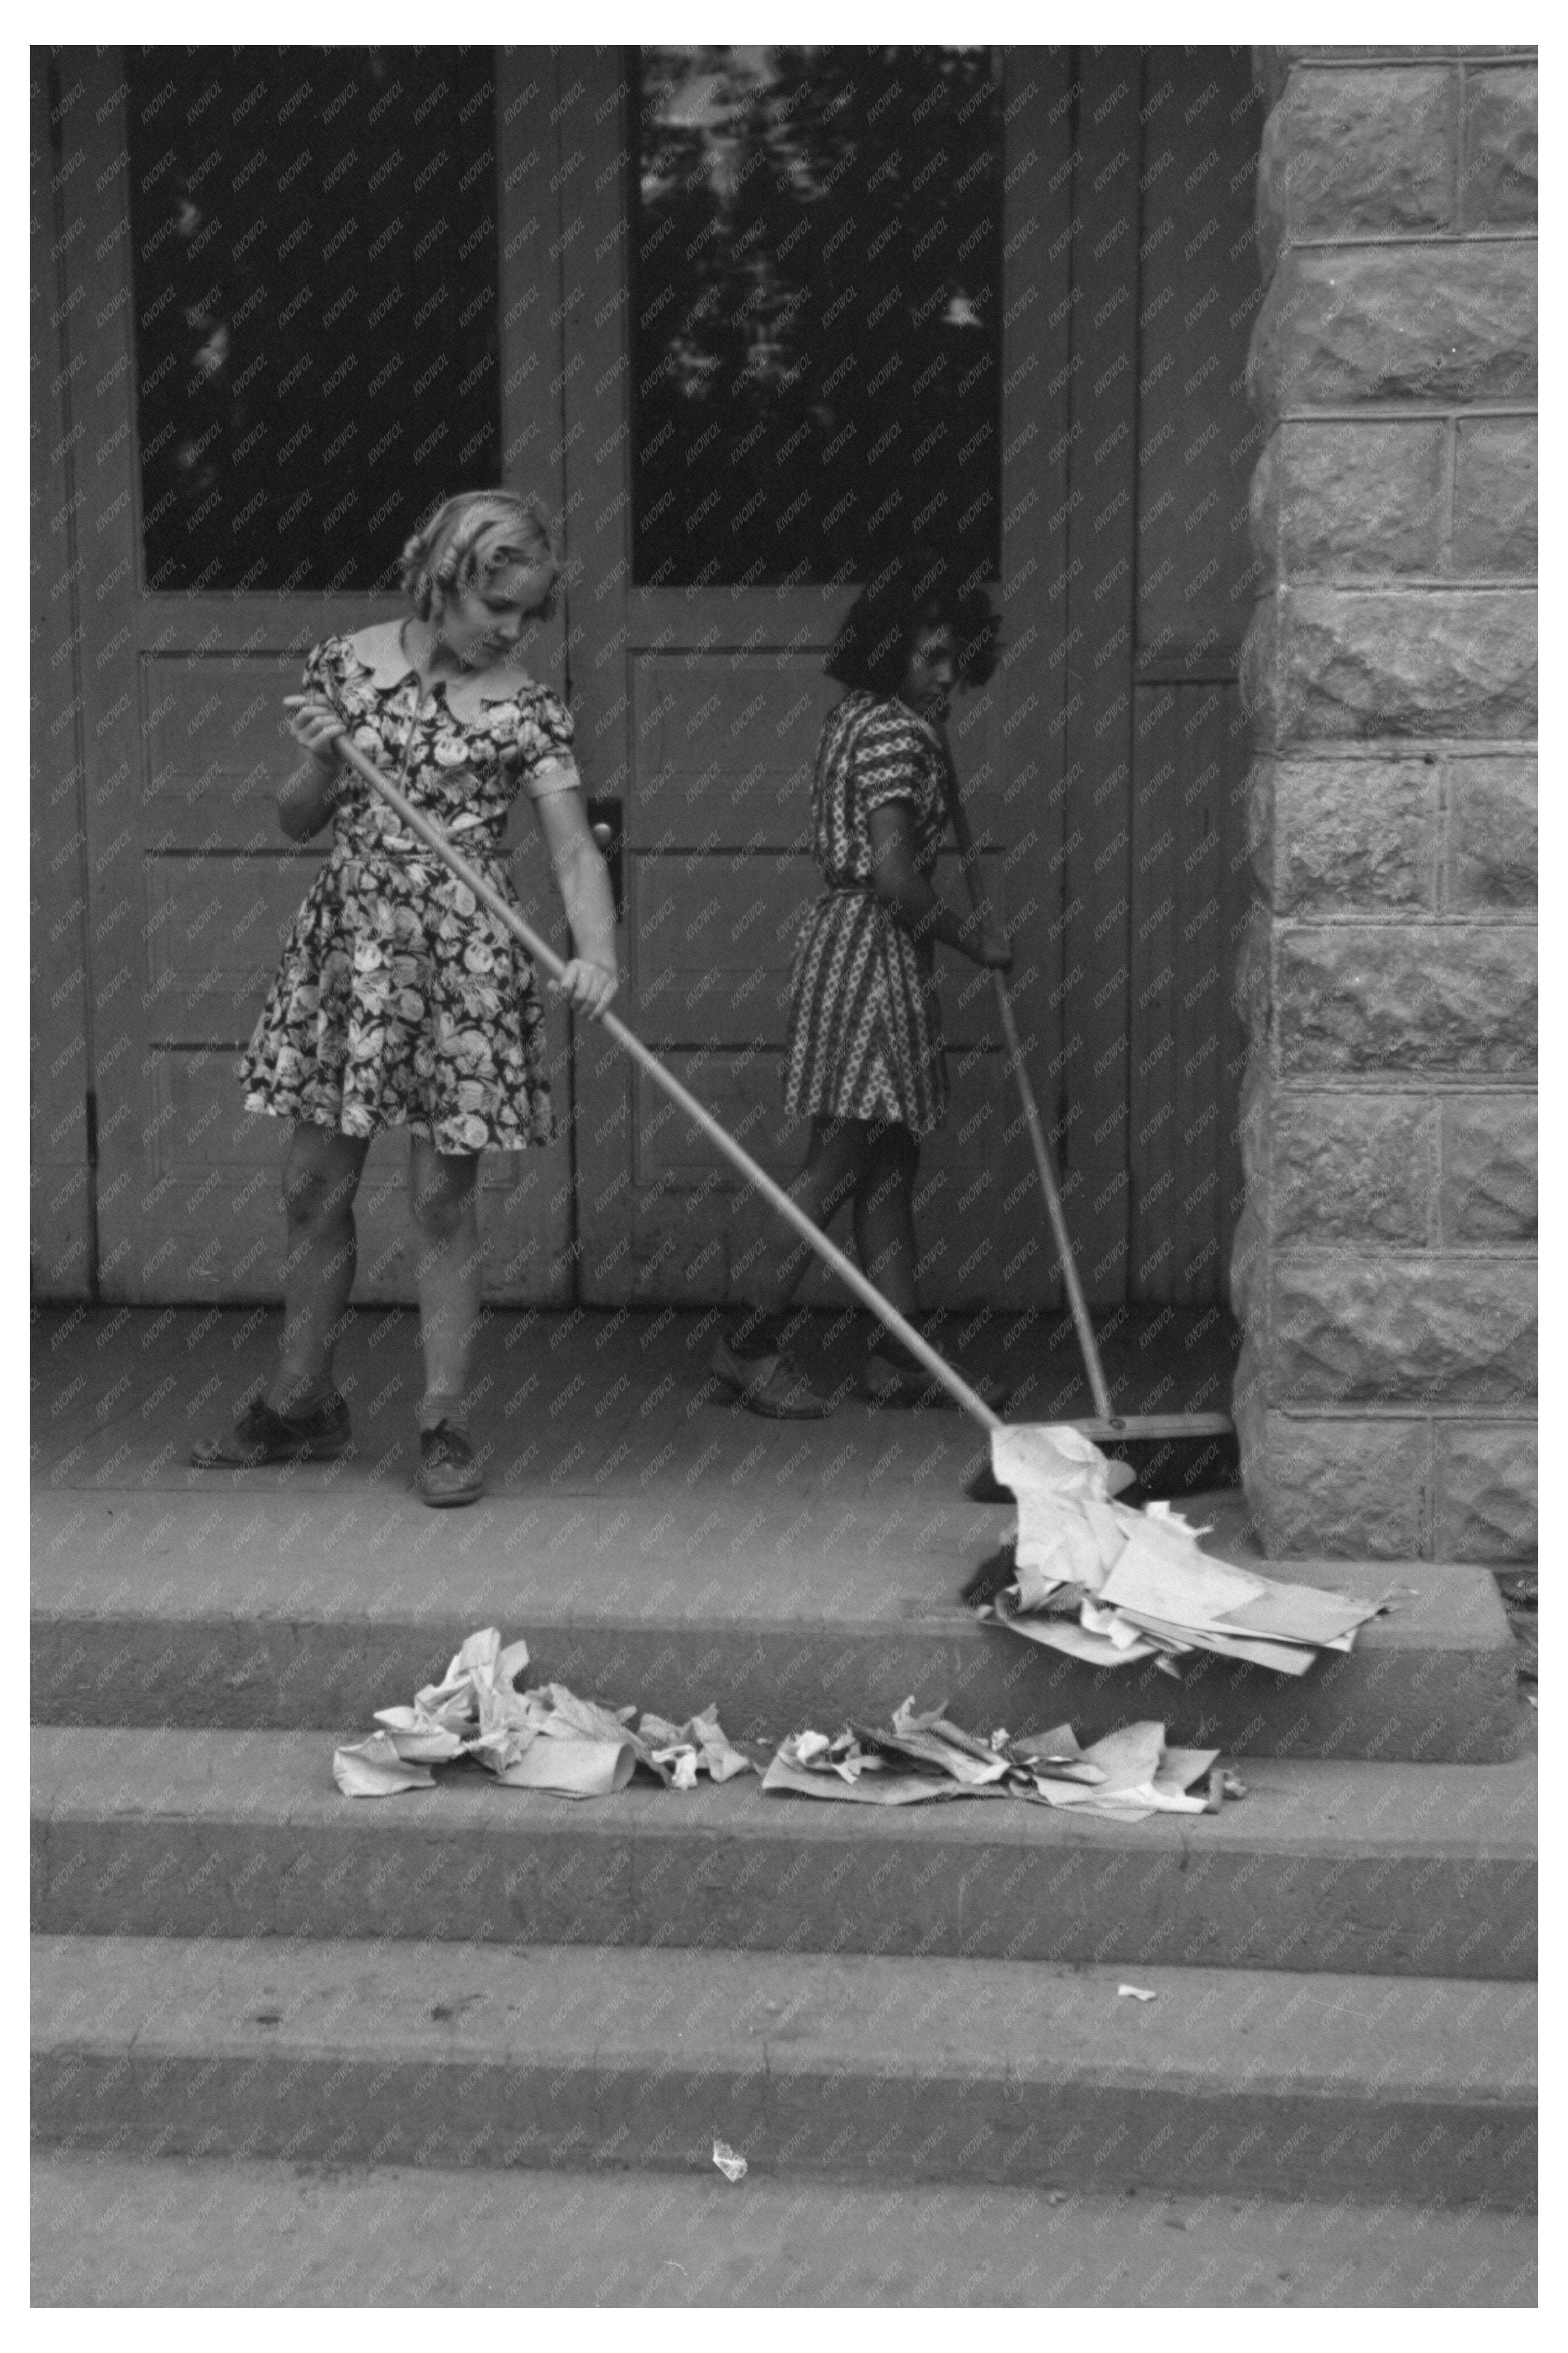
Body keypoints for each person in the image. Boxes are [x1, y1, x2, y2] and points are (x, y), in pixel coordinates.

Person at [191, 490, 617, 1506]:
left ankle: (444, 1421)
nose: (512, 632)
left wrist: (595, 953)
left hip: (463, 962)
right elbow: (296, 820)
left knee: (441, 1197)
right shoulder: (344, 666)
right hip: (351, 953)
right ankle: (301, 1404)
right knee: (313, 1189)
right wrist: (316, 756)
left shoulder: (526, 707)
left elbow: (569, 847)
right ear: (446, 579)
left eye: (526, 614)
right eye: (497, 609)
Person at [710, 551, 1013, 1417]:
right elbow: (894, 875)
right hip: (872, 954)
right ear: (890, 654)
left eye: (954, 658)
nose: (947, 675)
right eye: (929, 659)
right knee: (840, 1160)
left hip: (853, 946)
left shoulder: (859, 718)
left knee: (888, 1163)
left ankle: (897, 1353)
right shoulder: (894, 733)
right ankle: (749, 1346)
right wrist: (972, 941)